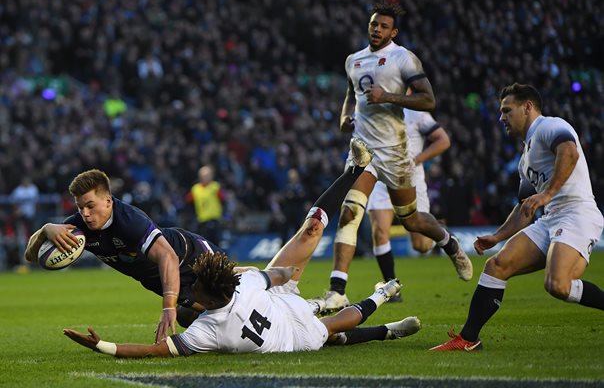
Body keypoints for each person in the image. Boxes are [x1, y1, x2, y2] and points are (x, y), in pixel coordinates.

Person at [63, 138, 422, 357]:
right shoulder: (221, 313)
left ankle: (352, 170)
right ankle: (384, 322)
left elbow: (156, 350)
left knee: (311, 230)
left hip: (270, 294)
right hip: (281, 315)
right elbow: (274, 275)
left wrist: (286, 284)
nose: (194, 287)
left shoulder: (220, 314)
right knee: (327, 334)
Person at [323, 1, 472, 313]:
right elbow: (350, 96)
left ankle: (450, 243)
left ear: (394, 32)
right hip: (363, 151)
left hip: (396, 153)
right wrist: (345, 117)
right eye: (374, 24)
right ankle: (337, 291)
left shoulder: (403, 58)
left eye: (383, 26)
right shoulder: (354, 60)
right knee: (350, 213)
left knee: (412, 221)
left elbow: (428, 98)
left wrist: (388, 97)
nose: (377, 29)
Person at [430, 83, 604, 351]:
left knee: (557, 284)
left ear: (528, 107)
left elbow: (569, 152)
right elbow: (524, 206)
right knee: (496, 265)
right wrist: (497, 236)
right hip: (550, 219)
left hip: (576, 213)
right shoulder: (526, 157)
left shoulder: (549, 126)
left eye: (506, 110)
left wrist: (546, 195)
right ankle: (468, 338)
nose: (501, 118)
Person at [23, 169, 223, 344]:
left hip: (190, 256)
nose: (85, 213)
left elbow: (167, 256)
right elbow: (31, 256)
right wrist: (46, 230)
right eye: (80, 207)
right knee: (187, 317)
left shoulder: (129, 221)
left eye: (90, 206)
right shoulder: (77, 227)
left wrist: (167, 307)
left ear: (108, 201)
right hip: (158, 279)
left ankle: (251, 274)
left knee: (230, 301)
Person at [367, 107, 451, 297]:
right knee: (380, 232)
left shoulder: (417, 114)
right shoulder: (375, 108)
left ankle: (437, 229)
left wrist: (417, 159)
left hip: (411, 180)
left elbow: (443, 140)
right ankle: (391, 290)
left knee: (421, 246)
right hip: (381, 177)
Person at [188, 165, 224, 245]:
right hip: (202, 221)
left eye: (208, 175)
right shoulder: (195, 189)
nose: (206, 177)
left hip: (214, 219)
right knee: (204, 243)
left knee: (216, 243)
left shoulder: (215, 187)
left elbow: (223, 199)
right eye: (204, 175)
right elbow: (188, 201)